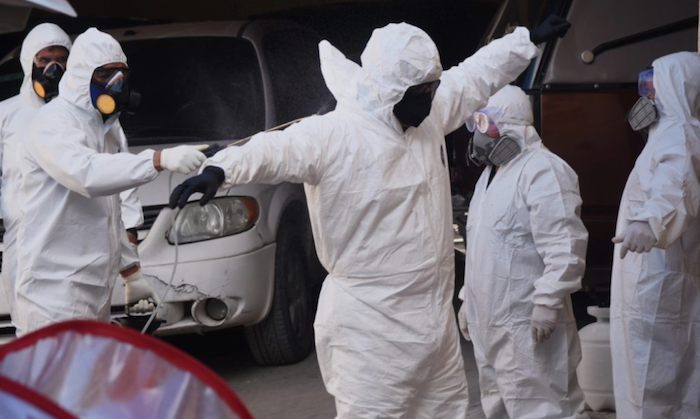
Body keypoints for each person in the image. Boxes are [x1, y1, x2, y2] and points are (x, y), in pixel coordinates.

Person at [168, 17, 570, 418]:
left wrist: (525, 41)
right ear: (391, 91)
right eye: (422, 92)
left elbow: (475, 75)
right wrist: (220, 169)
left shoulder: (428, 117)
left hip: (433, 321)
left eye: (433, 89)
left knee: (446, 411)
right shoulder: (335, 136)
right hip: (369, 328)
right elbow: (274, 150)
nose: (431, 98)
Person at [13, 27, 208, 336]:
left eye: (121, 74)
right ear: (80, 75)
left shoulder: (109, 129)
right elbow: (87, 175)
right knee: (58, 383)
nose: (115, 84)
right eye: (104, 74)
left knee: (90, 382)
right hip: (53, 291)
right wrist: (157, 160)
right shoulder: (51, 124)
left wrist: (131, 274)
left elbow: (110, 211)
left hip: (94, 287)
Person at [456, 85, 589, 419]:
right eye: (476, 123)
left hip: (528, 324)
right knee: (499, 405)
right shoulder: (488, 178)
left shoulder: (543, 169)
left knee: (545, 407)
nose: (479, 133)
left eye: (486, 123)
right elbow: (482, 250)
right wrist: (466, 300)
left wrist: (547, 300)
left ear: (513, 125)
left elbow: (565, 244)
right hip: (492, 325)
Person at [610, 51, 700, 418]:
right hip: (649, 283)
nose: (647, 96)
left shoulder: (680, 134)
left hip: (659, 285)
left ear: (678, 88)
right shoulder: (664, 135)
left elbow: (675, 185)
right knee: (646, 386)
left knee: (657, 389)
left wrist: (650, 221)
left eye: (654, 86)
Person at [0, 23, 71, 332]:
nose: (53, 67)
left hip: (73, 240)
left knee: (78, 332)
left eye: (61, 58)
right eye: (44, 60)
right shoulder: (6, 115)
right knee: (32, 333)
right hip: (24, 241)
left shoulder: (84, 115)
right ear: (29, 61)